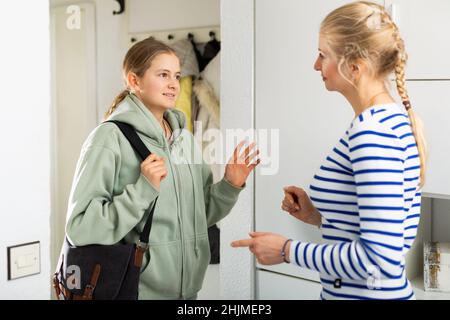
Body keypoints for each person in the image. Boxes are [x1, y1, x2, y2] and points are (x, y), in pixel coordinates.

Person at [232, 1, 426, 300]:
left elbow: (378, 258)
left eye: (323, 54)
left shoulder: (372, 131)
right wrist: (318, 217)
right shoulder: (388, 121)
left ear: (354, 65)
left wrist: (286, 250)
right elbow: (377, 228)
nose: (315, 65)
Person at [65, 37, 259, 299]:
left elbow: (198, 217)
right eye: (163, 75)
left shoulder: (184, 140)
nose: (173, 85)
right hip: (136, 292)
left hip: (188, 293)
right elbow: (80, 229)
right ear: (134, 81)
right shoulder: (108, 139)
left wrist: (230, 185)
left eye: (177, 76)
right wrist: (142, 189)